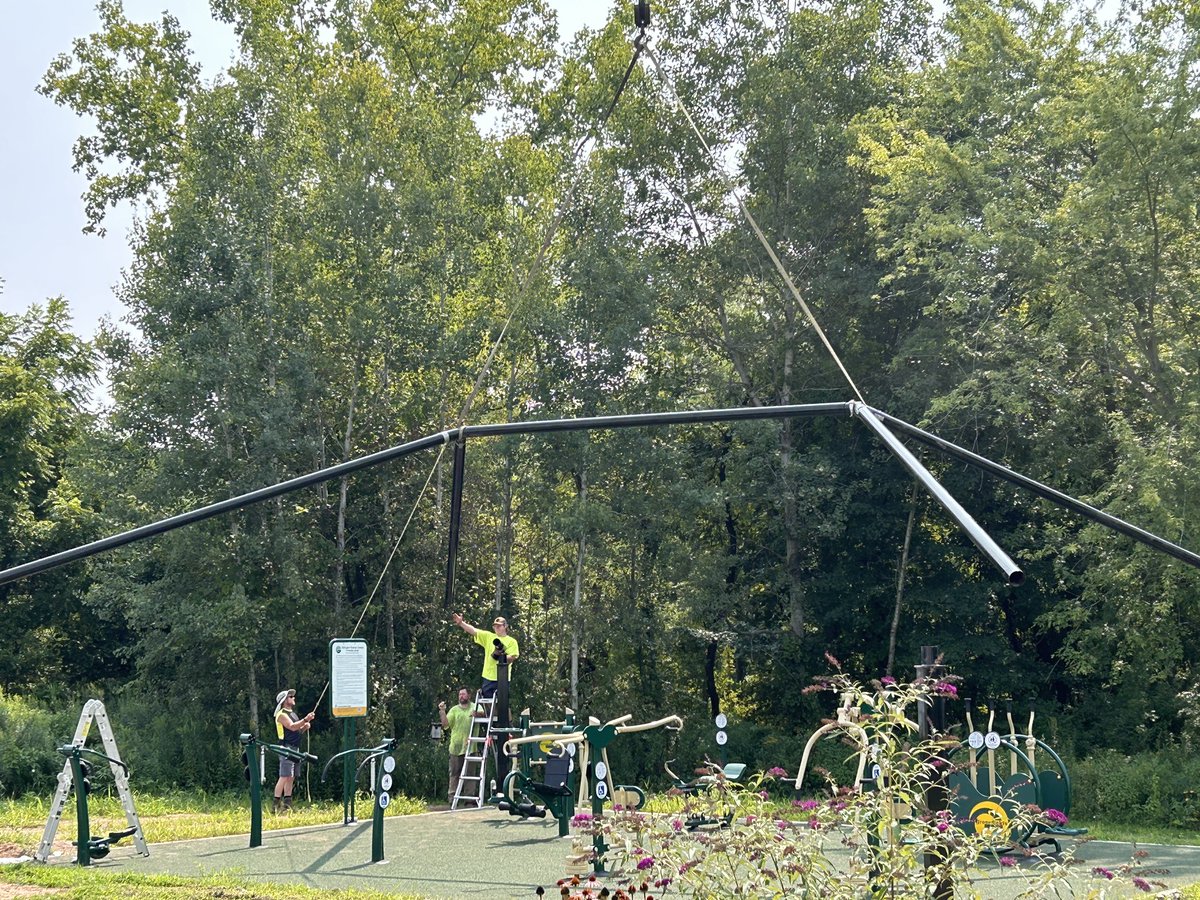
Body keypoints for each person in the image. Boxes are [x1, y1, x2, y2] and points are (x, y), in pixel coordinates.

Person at [452, 612, 518, 697]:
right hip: (488, 677)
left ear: (505, 626)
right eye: (495, 626)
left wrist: (501, 656)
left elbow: (512, 657)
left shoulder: (512, 641)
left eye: (499, 626)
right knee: (487, 703)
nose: (496, 628)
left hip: (502, 678)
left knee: (502, 705)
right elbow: (474, 631)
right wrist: (461, 623)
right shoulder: (489, 636)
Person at [273, 688, 314, 814]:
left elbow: (296, 731)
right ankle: (275, 805)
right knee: (284, 776)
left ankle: (287, 804)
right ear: (284, 700)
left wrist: (304, 728)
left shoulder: (293, 714)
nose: (293, 698)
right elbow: (291, 726)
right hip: (286, 748)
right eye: (290, 696)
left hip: (295, 748)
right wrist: (305, 720)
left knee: (291, 777)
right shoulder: (281, 715)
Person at [439, 687, 477, 804]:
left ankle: (469, 799)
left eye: (463, 694)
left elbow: (484, 715)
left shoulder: (475, 706)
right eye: (459, 694)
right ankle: (452, 799)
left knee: (470, 774)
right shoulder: (454, 710)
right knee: (454, 773)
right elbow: (445, 725)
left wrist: (478, 714)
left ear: (469, 696)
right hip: (456, 747)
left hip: (471, 747)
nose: (461, 696)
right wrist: (442, 711)